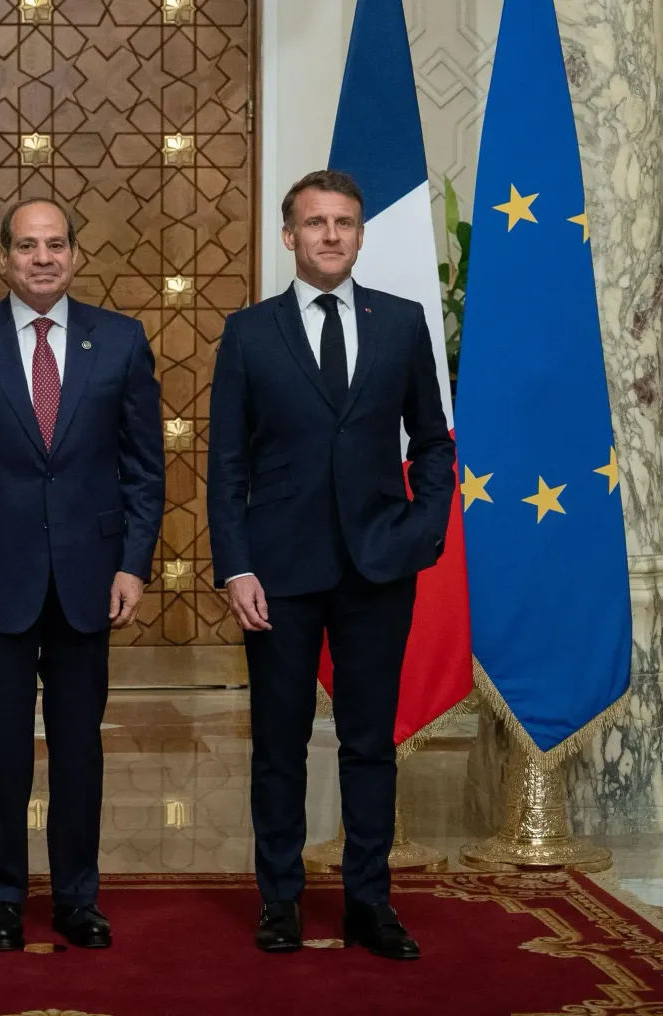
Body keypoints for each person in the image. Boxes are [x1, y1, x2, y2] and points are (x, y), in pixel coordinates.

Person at [208, 170, 455, 960]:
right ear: (289, 236)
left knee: (368, 744)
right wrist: (236, 566)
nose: (330, 235)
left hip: (379, 566)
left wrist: (423, 530)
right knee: (278, 745)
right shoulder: (249, 333)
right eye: (315, 222)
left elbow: (434, 442)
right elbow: (226, 465)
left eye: (344, 222)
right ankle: (280, 901)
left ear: (359, 234)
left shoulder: (401, 323)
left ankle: (369, 904)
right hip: (277, 573)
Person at [0, 198, 164, 951]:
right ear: (3, 257)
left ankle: (78, 898)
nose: (43, 258)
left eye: (55, 244)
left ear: (75, 255)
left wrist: (134, 564)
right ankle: (1, 898)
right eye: (27, 246)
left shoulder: (120, 340)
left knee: (79, 749)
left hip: (92, 579)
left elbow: (144, 469)